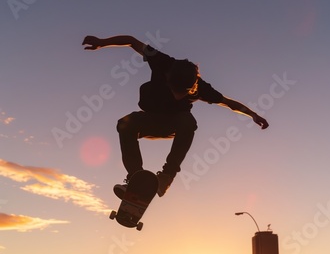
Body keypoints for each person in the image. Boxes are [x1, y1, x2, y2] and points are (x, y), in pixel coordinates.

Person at [82, 34, 269, 197]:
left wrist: (252, 114)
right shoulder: (162, 62)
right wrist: (102, 42)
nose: (176, 95)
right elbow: (131, 41)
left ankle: (166, 176)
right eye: (173, 88)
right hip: (151, 119)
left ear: (192, 87)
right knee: (124, 124)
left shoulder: (202, 88)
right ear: (168, 75)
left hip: (173, 125)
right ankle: (136, 179)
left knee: (188, 120)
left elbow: (228, 103)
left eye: (182, 92)